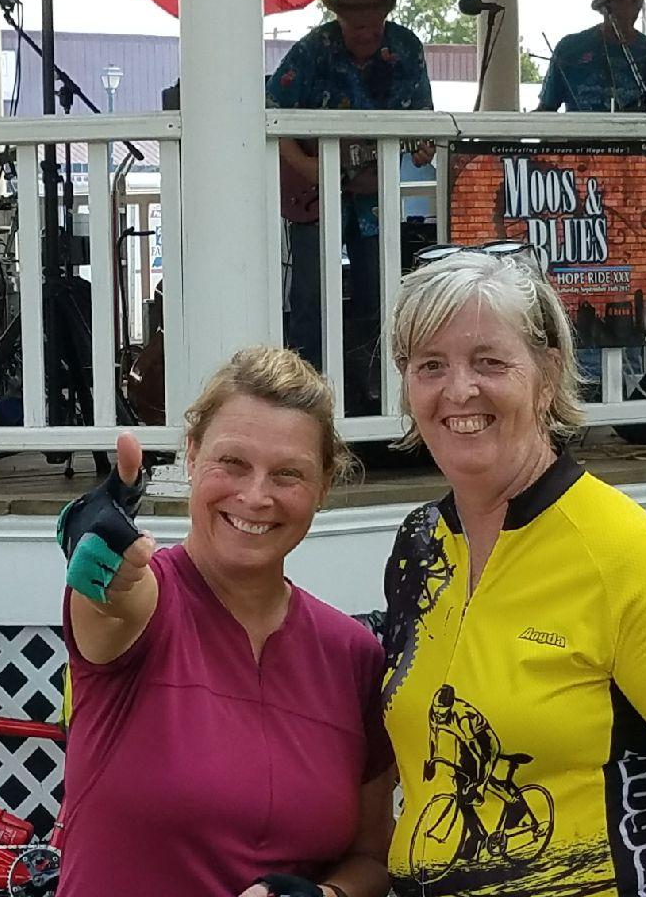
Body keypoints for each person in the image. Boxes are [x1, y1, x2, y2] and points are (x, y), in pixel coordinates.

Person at [379, 243, 646, 896]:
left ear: (548, 373)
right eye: (430, 365)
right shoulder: (420, 545)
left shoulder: (624, 555)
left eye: (489, 361)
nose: (459, 390)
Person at [55, 346, 395, 897]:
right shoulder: (147, 604)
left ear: (324, 486)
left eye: (287, 474)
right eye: (232, 463)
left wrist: (327, 895)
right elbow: (110, 598)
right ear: (191, 455)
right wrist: (94, 542)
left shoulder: (354, 656)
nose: (255, 496)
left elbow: (372, 858)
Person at [267, 0, 435, 413]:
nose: (366, 34)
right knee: (309, 297)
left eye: (374, 25)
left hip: (375, 193)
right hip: (313, 193)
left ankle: (374, 399)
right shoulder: (313, 49)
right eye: (357, 25)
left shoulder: (406, 49)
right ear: (340, 20)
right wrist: (309, 166)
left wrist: (422, 148)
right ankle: (303, 401)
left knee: (381, 294)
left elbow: (423, 120)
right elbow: (269, 109)